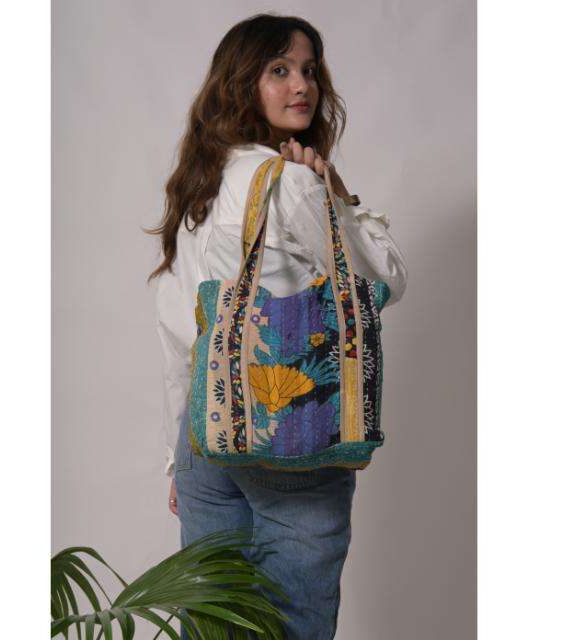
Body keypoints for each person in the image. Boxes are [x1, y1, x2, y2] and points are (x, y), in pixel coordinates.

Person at [146, 13, 408, 640]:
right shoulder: (291, 182)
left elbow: (180, 328)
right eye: (280, 70)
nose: (302, 86)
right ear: (242, 82)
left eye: (309, 70)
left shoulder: (199, 183)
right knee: (293, 625)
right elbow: (387, 279)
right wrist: (337, 192)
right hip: (290, 433)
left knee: (214, 626)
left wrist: (179, 455)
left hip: (205, 435)